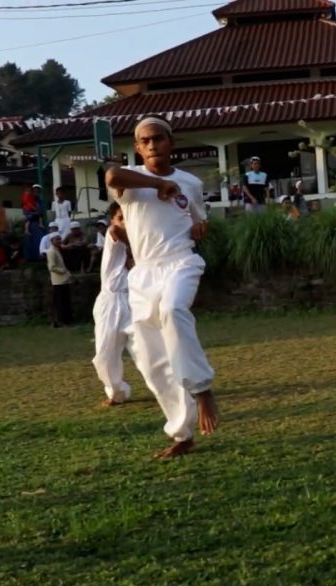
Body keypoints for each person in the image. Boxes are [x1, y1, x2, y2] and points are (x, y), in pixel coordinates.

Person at [105, 114, 220, 460]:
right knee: (152, 362)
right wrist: (157, 187)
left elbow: (197, 217)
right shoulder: (129, 181)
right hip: (143, 275)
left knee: (173, 309)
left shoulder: (190, 182)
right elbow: (111, 174)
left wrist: (201, 227)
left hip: (181, 262)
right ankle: (182, 433)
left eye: (159, 138)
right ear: (138, 149)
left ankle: (203, 390)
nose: (153, 145)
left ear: (172, 142)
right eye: (145, 141)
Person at [92, 202, 136, 407]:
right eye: (121, 217)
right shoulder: (113, 235)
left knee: (148, 350)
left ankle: (176, 388)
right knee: (105, 353)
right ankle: (116, 392)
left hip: (135, 300)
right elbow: (115, 230)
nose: (125, 221)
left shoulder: (141, 244)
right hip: (110, 301)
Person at [46, 232, 73, 327]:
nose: (59, 241)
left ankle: (65, 321)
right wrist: (63, 271)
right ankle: (60, 321)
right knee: (60, 302)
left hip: (64, 279)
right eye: (56, 239)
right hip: (58, 281)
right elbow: (52, 267)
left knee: (65, 301)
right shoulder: (51, 251)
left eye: (59, 239)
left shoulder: (58, 249)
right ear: (52, 241)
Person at [22, 184, 45, 262]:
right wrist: (33, 213)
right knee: (29, 240)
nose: (36, 193)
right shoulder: (28, 199)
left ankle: (39, 256)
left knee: (39, 239)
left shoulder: (40, 201)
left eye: (38, 191)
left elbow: (41, 212)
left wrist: (34, 213)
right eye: (34, 191)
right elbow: (25, 211)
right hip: (29, 222)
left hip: (37, 223)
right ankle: (29, 258)